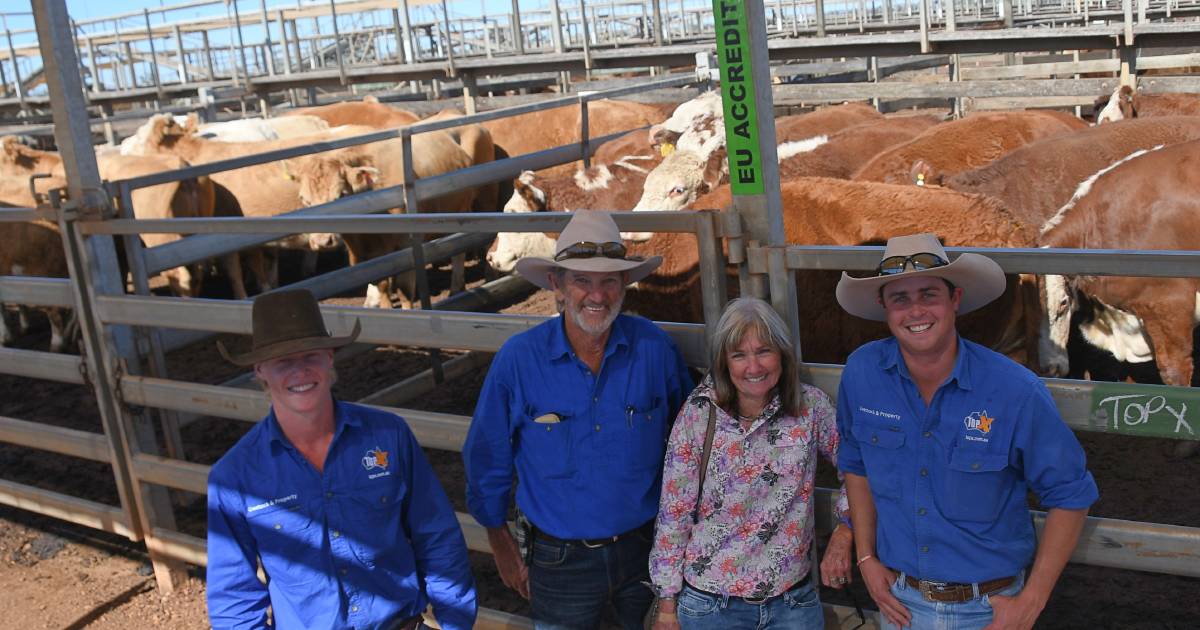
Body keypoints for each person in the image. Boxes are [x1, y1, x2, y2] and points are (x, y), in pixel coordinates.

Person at [834, 233, 1099, 630]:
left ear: (955, 300)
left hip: (988, 610)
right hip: (899, 603)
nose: (915, 311)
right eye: (900, 298)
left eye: (929, 294)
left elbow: (1071, 493)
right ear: (884, 307)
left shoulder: (1014, 389)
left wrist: (1031, 602)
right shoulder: (862, 372)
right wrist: (867, 559)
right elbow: (856, 464)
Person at [464, 210, 694, 630]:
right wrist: (499, 542)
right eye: (582, 280)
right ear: (557, 285)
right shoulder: (519, 359)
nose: (597, 295)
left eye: (609, 280)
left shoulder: (655, 350)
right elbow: (487, 454)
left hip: (646, 551)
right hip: (559, 559)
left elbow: (689, 443)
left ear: (625, 283)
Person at [206, 289, 476, 630]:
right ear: (260, 370)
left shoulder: (388, 436)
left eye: (311, 356)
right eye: (283, 362)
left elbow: (436, 536)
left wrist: (455, 623)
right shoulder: (235, 476)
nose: (300, 372)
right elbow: (233, 597)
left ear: (330, 357)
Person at [647, 297, 853, 630]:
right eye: (739, 355)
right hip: (711, 606)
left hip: (792, 602)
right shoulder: (700, 413)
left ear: (783, 355)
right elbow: (675, 511)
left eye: (764, 351)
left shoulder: (810, 408)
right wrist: (667, 603)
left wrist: (845, 529)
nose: (753, 367)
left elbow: (857, 468)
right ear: (724, 362)